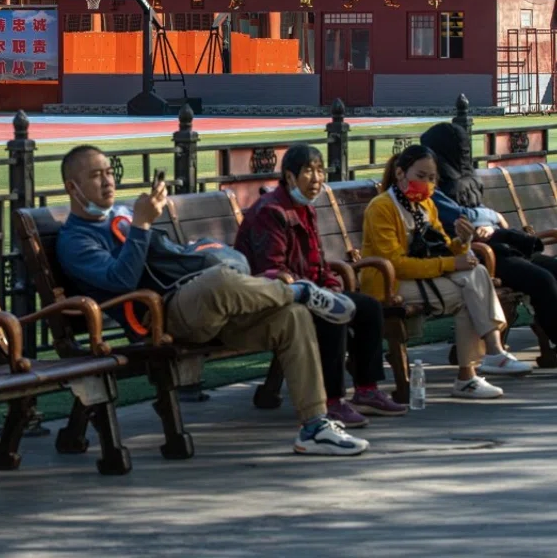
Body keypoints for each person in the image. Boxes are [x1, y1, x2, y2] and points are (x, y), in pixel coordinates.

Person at [56, 144, 370, 456]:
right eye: (97, 176)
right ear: (73, 187)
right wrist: (141, 225)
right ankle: (298, 290)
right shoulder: (76, 240)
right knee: (224, 281)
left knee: (295, 316)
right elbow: (120, 281)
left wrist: (149, 228)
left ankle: (315, 427)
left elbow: (167, 258)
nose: (108, 182)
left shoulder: (122, 217)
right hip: (164, 316)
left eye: (110, 173)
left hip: (202, 305)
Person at [236, 145, 407, 426]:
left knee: (368, 307)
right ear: (290, 177)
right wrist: (317, 292)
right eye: (308, 171)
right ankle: (331, 400)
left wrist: (330, 286)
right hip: (272, 296)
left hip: (307, 290)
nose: (316, 178)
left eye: (320, 170)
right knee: (331, 315)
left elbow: (320, 263)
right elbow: (272, 270)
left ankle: (366, 390)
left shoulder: (305, 209)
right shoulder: (272, 212)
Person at [360, 144, 533, 400]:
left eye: (432, 179)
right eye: (420, 176)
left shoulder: (426, 205)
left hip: (426, 278)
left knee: (476, 276)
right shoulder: (382, 207)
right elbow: (396, 264)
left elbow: (442, 246)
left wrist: (462, 242)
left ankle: (478, 367)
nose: (427, 184)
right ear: (400, 174)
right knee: (469, 291)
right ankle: (479, 365)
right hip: (390, 283)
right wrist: (452, 264)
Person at [421, 122, 557, 357]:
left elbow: (476, 213)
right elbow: (460, 217)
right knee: (541, 281)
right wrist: (492, 217)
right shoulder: (431, 186)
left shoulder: (465, 178)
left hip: (498, 244)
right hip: (476, 253)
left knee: (553, 269)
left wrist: (487, 221)